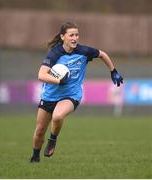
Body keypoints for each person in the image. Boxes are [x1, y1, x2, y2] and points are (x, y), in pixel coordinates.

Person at [30, 21, 123, 163]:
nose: (75, 38)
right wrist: (59, 80)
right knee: (39, 131)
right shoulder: (55, 53)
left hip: (71, 95)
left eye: (77, 35)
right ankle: (35, 157)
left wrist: (113, 71)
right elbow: (41, 75)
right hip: (49, 95)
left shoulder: (83, 51)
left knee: (57, 116)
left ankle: (52, 140)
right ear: (63, 37)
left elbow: (102, 54)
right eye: (71, 35)